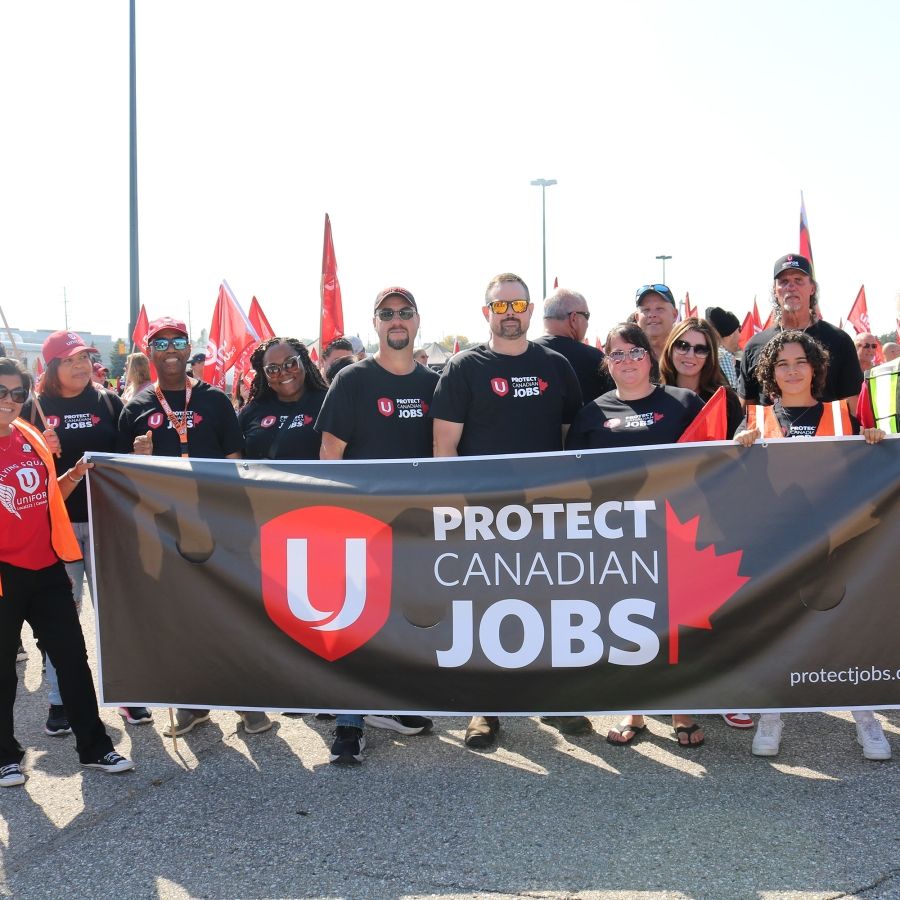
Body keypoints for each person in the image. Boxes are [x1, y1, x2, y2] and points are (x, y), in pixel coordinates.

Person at [431, 272, 584, 748]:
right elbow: (444, 446)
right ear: (487, 313)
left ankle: (555, 700)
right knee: (485, 611)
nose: (510, 314)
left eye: (518, 305)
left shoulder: (556, 365)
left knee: (550, 606)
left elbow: (571, 441)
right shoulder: (463, 367)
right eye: (500, 306)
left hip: (546, 512)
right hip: (483, 513)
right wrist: (455, 510)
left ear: (531, 310)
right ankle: (486, 706)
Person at [734, 330, 891, 760]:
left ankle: (865, 716)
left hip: (836, 545)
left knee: (845, 631)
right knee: (776, 631)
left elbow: (866, 475)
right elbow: (730, 485)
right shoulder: (754, 420)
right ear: (770, 373)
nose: (792, 370)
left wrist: (876, 443)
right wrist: (738, 447)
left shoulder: (842, 416)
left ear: (815, 367)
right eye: (782, 364)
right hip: (777, 549)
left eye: (800, 361)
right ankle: (772, 715)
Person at [116, 317, 266, 737]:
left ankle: (246, 699)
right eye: (161, 343)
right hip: (164, 530)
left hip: (215, 522)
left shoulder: (214, 400)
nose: (170, 349)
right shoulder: (137, 408)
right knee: (179, 618)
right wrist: (139, 458)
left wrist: (237, 520)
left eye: (178, 341)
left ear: (188, 347)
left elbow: (235, 461)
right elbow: (121, 479)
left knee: (228, 612)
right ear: (149, 351)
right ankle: (192, 703)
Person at [566, 323, 707, 748]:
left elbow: (719, 455)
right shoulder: (591, 414)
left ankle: (682, 710)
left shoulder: (684, 403)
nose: (627, 361)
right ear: (606, 363)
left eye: (635, 352)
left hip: (676, 531)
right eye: (617, 354)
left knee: (677, 622)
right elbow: (574, 477)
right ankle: (635, 711)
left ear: (650, 356)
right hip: (617, 537)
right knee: (629, 621)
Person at [316, 287, 439, 764]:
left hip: (415, 528)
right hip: (360, 525)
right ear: (376, 324)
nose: (396, 320)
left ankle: (389, 704)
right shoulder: (353, 379)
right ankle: (349, 724)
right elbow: (330, 453)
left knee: (404, 624)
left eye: (404, 312)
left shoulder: (435, 384)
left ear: (417, 320)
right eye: (387, 314)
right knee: (356, 624)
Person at [0, 357, 135, 787]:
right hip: (3, 575)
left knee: (73, 660)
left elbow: (48, 497)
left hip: (46, 567)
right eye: (1, 392)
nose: (9, 401)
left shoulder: (30, 435)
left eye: (18, 393)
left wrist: (73, 475)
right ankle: (4, 756)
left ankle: (94, 747)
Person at [21, 331, 153, 733]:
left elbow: (124, 457)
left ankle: (128, 694)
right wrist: (38, 449)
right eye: (70, 360)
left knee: (115, 613)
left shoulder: (109, 401)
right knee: (61, 618)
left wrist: (140, 451)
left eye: (84, 358)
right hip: (55, 528)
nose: (80, 366)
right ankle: (59, 701)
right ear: (51, 367)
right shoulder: (31, 408)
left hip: (106, 522)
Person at [739, 255, 862, 407]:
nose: (791, 287)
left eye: (798, 280)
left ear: (812, 288)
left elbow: (852, 405)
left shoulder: (839, 340)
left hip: (827, 423)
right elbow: (746, 409)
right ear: (775, 290)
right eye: (784, 282)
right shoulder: (755, 345)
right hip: (771, 423)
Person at [239, 338, 328, 461]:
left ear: (304, 363)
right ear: (265, 376)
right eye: (273, 369)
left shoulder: (328, 403)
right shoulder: (250, 412)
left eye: (291, 363)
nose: (283, 372)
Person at [659, 318, 743, 439]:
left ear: (710, 356)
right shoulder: (653, 396)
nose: (690, 355)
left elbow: (736, 447)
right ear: (670, 349)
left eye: (700, 349)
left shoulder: (727, 400)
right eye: (682, 346)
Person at [534, 287, 612, 402]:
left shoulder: (525, 354)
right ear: (574, 318)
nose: (587, 323)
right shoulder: (595, 358)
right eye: (587, 316)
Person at [857, 353, 900, 432]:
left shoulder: (876, 377)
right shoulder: (875, 378)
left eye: (874, 347)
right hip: (887, 440)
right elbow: (866, 429)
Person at [635, 284, 678, 361]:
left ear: (674, 315)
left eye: (659, 309)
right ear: (637, 318)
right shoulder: (627, 359)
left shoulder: (690, 355)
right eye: (646, 310)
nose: (652, 315)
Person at [704, 306, 742, 389]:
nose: (741, 336)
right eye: (739, 330)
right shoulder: (724, 357)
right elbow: (730, 392)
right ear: (731, 333)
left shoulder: (713, 353)